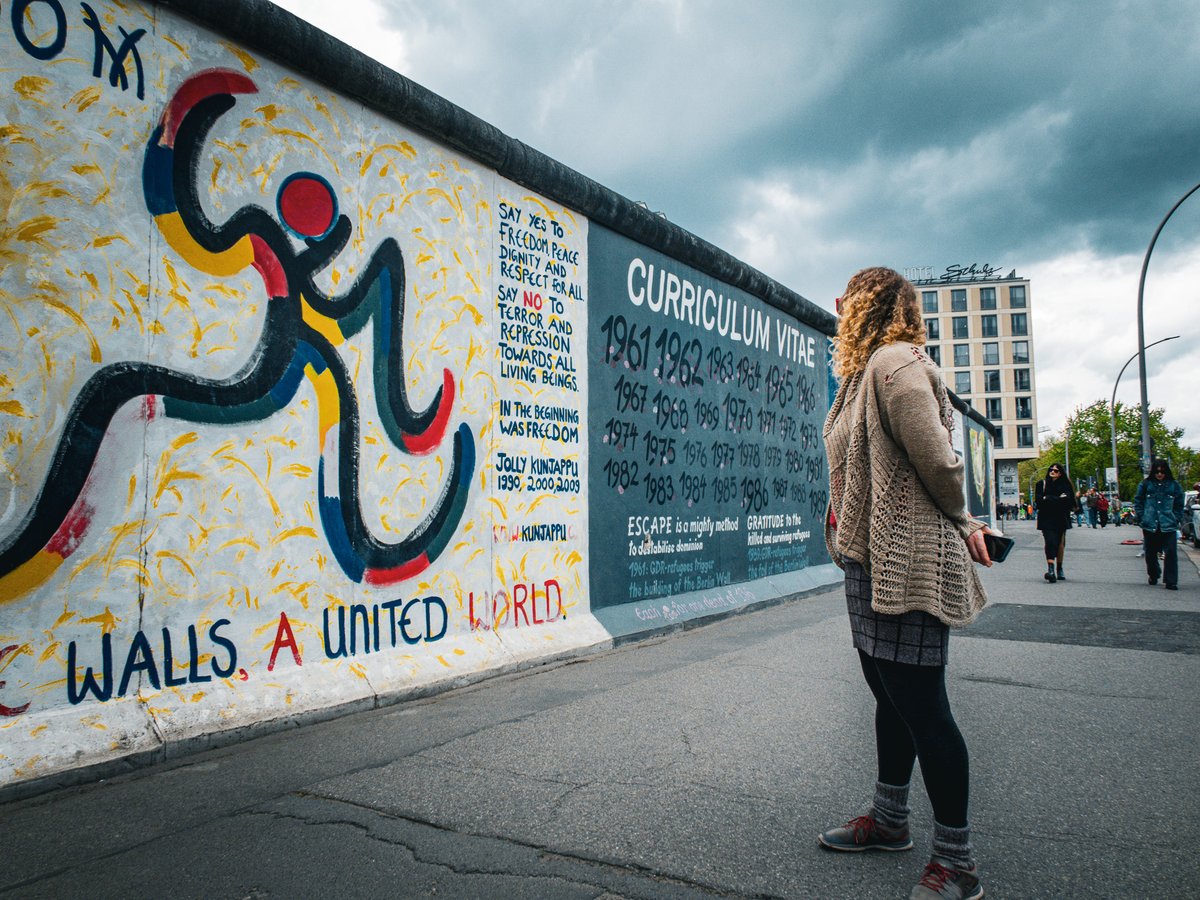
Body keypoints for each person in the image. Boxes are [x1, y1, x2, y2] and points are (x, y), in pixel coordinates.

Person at [819, 267, 990, 900]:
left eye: (847, 297)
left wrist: (965, 519)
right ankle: (890, 821)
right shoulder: (863, 374)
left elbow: (941, 462)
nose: (837, 306)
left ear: (868, 304)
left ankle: (958, 864)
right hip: (871, 564)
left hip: (908, 565)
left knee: (925, 712)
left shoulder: (894, 366)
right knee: (890, 699)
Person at [1134, 460, 1185, 590]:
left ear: (1166, 472)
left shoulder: (1174, 486)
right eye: (1157, 472)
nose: (1159, 474)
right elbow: (1138, 501)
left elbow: (1179, 504)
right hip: (1150, 522)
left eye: (1162, 472)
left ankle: (1171, 580)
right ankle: (1154, 573)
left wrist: (1176, 517)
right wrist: (1141, 516)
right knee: (1150, 552)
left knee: (1171, 552)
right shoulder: (1146, 485)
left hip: (1168, 523)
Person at [1036, 465, 1076, 583]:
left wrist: (1048, 498)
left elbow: (1067, 501)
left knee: (1060, 543)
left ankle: (1059, 568)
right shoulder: (1041, 484)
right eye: (1050, 470)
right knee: (1050, 541)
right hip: (1046, 517)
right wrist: (1057, 499)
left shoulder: (1065, 485)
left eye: (1055, 470)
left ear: (1060, 473)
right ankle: (1051, 570)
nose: (1052, 472)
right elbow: (1039, 502)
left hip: (1061, 517)